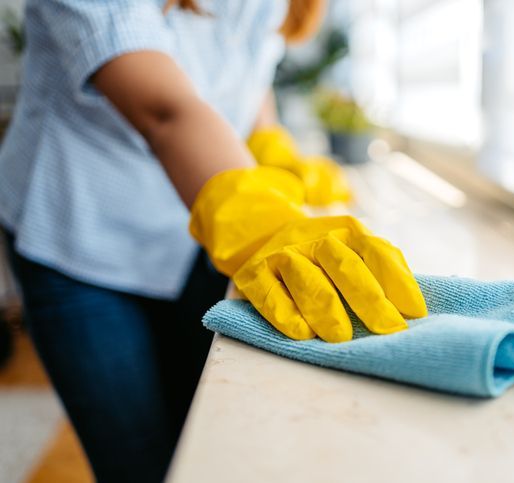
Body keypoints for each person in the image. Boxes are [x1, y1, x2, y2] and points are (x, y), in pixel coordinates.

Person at [0, 0, 426, 481]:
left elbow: (244, 68)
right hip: (80, 239)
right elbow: (163, 110)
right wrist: (262, 221)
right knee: (141, 462)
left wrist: (268, 143)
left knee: (204, 435)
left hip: (187, 234)